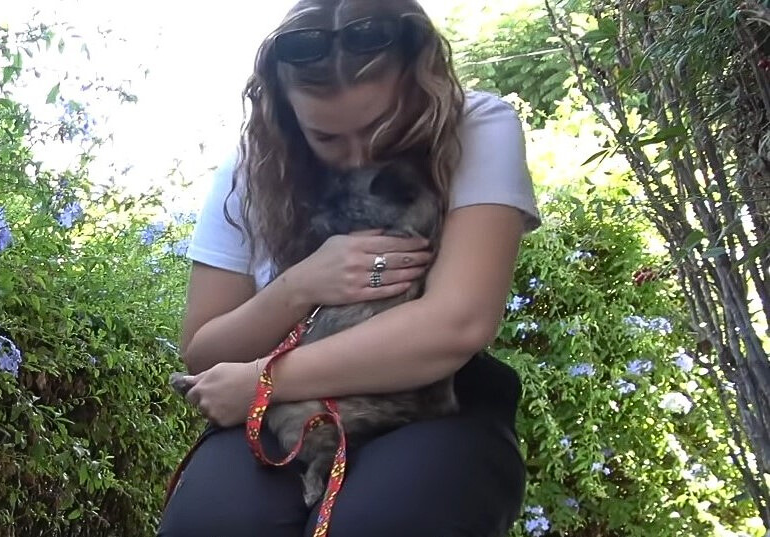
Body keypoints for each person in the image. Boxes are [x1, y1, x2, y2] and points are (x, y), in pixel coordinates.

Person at [157, 0, 541, 535]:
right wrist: (299, 286)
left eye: (383, 126)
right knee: (214, 522)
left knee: (387, 519)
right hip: (278, 409)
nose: (361, 154)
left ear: (420, 86)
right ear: (287, 116)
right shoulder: (251, 168)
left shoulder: (476, 124)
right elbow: (205, 352)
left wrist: (263, 380)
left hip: (429, 397)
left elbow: (457, 323)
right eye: (327, 138)